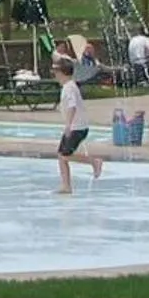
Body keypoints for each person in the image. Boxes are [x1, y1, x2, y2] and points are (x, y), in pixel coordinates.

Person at [52, 49, 106, 194]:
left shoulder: (69, 88)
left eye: (55, 72)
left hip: (76, 127)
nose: (54, 75)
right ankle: (66, 186)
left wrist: (68, 126)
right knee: (61, 155)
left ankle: (94, 162)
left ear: (61, 73)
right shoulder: (69, 86)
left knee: (65, 155)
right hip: (75, 126)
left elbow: (72, 107)